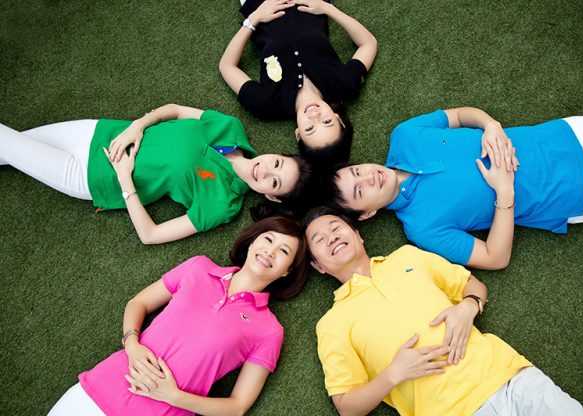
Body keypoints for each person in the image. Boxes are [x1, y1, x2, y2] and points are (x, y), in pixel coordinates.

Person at [303, 207, 583, 416]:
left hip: (510, 378)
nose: (331, 237)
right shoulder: (332, 324)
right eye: (319, 240)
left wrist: (469, 307)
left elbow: (473, 286)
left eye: (336, 227)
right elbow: (346, 405)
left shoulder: (407, 256)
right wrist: (393, 374)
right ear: (319, 266)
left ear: (358, 235)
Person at [47, 216, 309, 416]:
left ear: (287, 271)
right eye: (268, 239)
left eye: (284, 251)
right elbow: (138, 303)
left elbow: (237, 406)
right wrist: (132, 344)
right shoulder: (199, 267)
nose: (270, 251)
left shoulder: (269, 331)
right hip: (101, 388)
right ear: (253, 241)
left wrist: (172, 396)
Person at [328, 106, 583, 269]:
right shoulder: (422, 228)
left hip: (567, 133)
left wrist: (491, 124)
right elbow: (495, 258)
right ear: (367, 214)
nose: (368, 177)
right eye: (360, 191)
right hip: (580, 189)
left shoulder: (405, 135)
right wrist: (505, 192)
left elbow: (458, 116)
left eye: (357, 171)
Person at [0, 103, 312, 244]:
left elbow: (151, 235)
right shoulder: (230, 127)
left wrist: (124, 179)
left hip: (90, 175)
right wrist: (137, 126)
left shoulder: (223, 204)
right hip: (97, 131)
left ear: (271, 196)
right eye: (277, 163)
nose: (265, 170)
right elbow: (174, 110)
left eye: (274, 182)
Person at [219, 0, 377, 166]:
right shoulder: (344, 85)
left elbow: (227, 66)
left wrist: (253, 19)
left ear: (298, 134)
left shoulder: (266, 103)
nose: (314, 116)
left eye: (309, 129)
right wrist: (327, 8)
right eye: (327, 122)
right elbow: (368, 44)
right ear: (338, 119)